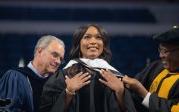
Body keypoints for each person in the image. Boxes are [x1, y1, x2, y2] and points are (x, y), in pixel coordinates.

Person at [40, 24, 130, 112]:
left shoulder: (115, 76)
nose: (93, 41)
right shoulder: (64, 75)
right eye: (87, 37)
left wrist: (120, 92)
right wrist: (68, 92)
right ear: (78, 43)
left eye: (98, 37)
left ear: (103, 44)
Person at [99, 26, 179, 112]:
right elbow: (132, 96)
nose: (161, 56)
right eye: (160, 50)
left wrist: (143, 92)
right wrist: (120, 90)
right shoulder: (156, 67)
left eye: (166, 51)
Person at [0, 35, 65, 112]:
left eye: (61, 59)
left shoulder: (55, 84)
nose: (58, 61)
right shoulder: (15, 77)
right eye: (55, 55)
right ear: (39, 51)